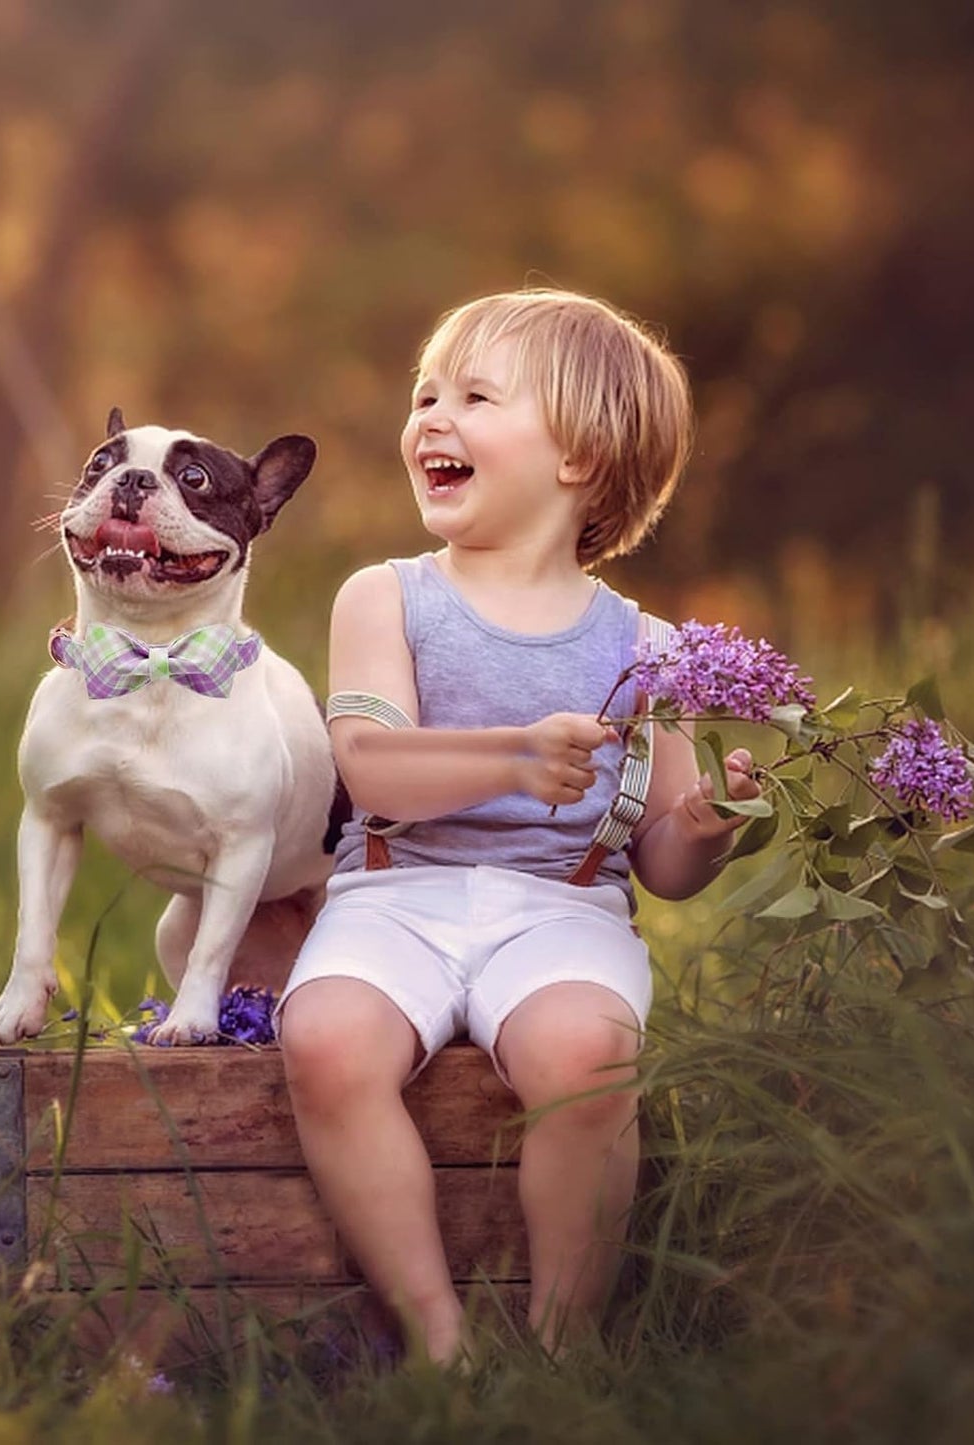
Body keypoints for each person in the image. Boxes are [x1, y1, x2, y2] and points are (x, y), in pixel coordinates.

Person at [276, 288, 761, 1363]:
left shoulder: (647, 642)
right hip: (392, 894)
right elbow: (368, 769)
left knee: (588, 1053)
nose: (429, 418)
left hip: (560, 908)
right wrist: (508, 752)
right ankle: (434, 1336)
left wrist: (708, 816)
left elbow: (664, 867)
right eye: (424, 394)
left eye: (474, 395)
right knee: (323, 1041)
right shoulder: (386, 597)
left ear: (579, 455)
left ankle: (557, 1348)